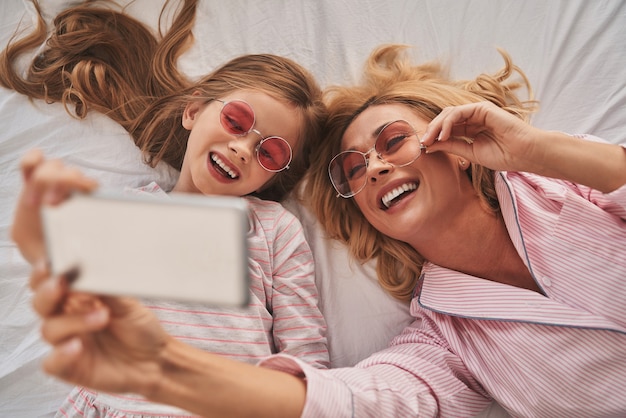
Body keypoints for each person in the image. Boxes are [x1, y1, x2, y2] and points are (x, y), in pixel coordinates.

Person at [14, 43, 626, 417]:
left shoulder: (573, 186)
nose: (375, 166)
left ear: (459, 146)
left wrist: (534, 150)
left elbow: (301, 340)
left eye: (391, 141)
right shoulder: (448, 338)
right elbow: (363, 399)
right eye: (353, 169)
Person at [5, 1, 328, 417]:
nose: (243, 149)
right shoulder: (130, 211)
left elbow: (307, 356)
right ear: (193, 111)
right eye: (236, 121)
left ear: (274, 176)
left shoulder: (272, 228)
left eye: (270, 152)